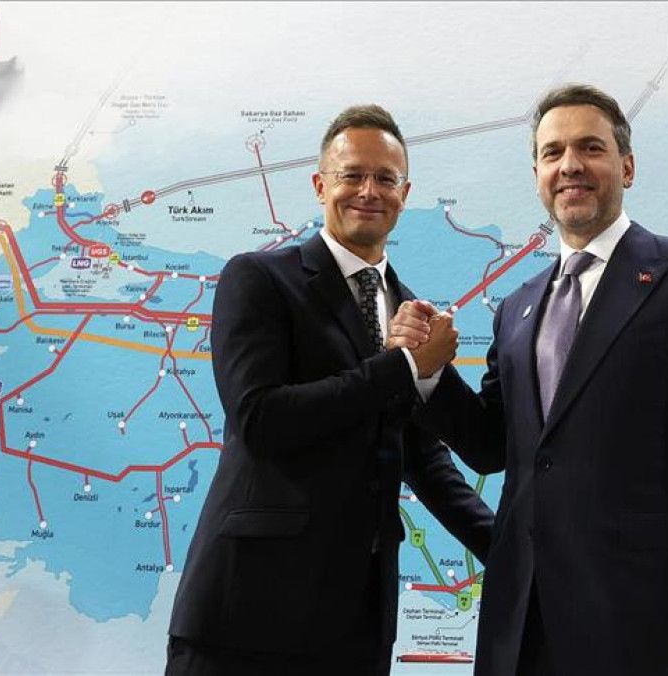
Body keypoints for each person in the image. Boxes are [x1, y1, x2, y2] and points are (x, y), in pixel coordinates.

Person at [390, 84, 668, 675]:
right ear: (538, 177)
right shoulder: (516, 309)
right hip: (521, 629)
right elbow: (494, 445)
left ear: (627, 166)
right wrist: (427, 373)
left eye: (590, 148)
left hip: (646, 627)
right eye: (553, 152)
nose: (570, 164)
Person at [167, 104, 494, 676]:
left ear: (405, 194)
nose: (369, 191)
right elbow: (260, 420)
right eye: (352, 175)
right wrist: (403, 366)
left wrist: (515, 553)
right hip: (246, 617)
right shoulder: (258, 278)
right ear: (321, 185)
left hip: (356, 627)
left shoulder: (408, 311)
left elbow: (422, 459)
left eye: (385, 178)